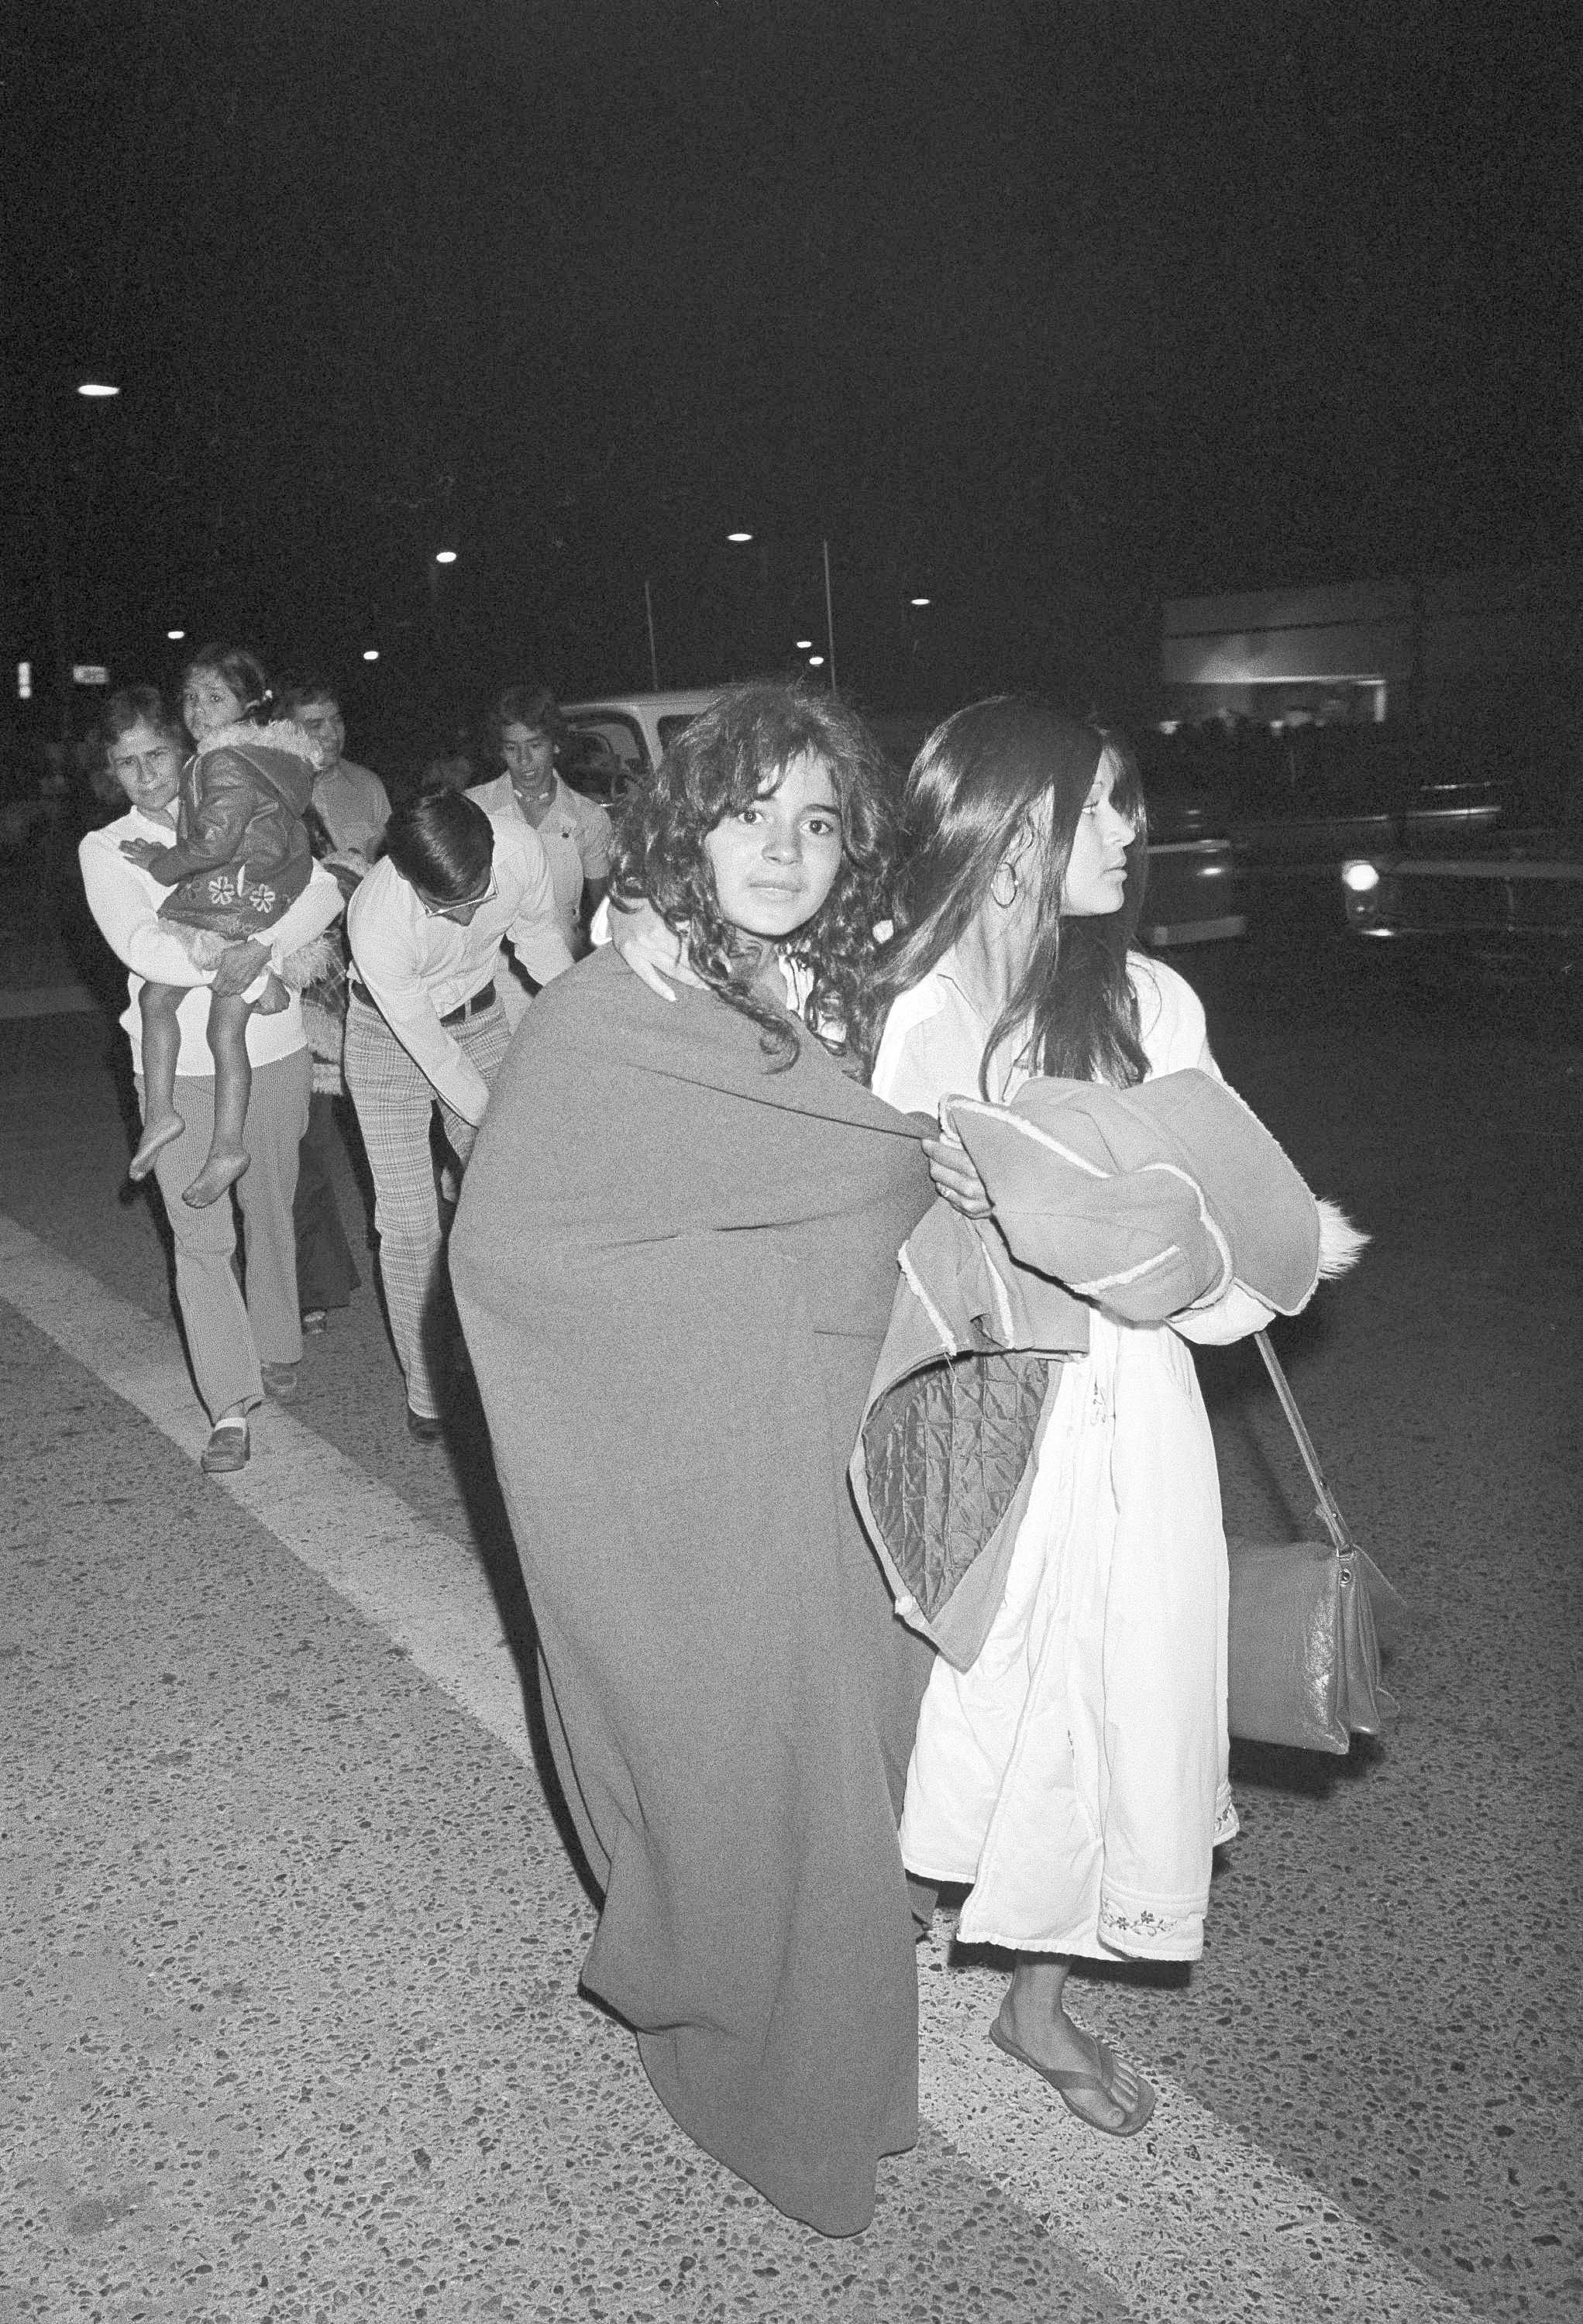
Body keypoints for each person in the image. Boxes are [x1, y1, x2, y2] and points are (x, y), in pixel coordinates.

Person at [449, 682, 937, 2237]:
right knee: (757, 1768)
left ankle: (841, 2002)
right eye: (747, 815)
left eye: (816, 820)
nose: (782, 851)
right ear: (685, 829)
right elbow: (512, 1253)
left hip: (856, 1434)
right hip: (718, 1452)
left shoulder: (867, 991)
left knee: (858, 1751)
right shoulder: (618, 1008)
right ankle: (786, 2075)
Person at [866, 700, 1298, 2137]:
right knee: (968, 1681)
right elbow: (864, 1240)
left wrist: (1110, 1223)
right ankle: (899, 1923)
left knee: (1114, 1690)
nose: (1130, 831)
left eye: (1127, 805)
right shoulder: (913, 1015)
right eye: (1098, 806)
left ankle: (1034, 2000)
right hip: (979, 1398)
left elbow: (1228, 1237)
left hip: (1130, 1398)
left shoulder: (1151, 1006)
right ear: (1008, 834)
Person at [79, 686, 344, 1472]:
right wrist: (220, 955)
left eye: (155, 755)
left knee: (269, 1209)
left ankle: (276, 1339)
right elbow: (137, 944)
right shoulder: (107, 847)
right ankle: (229, 1404)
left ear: (185, 748)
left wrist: (263, 948)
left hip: (274, 1048)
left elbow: (324, 884)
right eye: (124, 764)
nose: (143, 775)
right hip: (175, 1066)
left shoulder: (239, 788)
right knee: (200, 1238)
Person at [344, 789, 573, 1439]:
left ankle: (524, 1362)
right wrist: (489, 1118)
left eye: (476, 895)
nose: (469, 914)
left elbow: (539, 943)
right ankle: (428, 1390)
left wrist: (586, 1016)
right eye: (446, 907)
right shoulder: (378, 918)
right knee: (410, 1224)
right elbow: (435, 1058)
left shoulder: (522, 851)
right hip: (389, 1040)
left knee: (512, 1198)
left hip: (479, 1019)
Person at [120, 646, 315, 1208]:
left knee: (157, 1001)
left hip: (225, 901)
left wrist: (159, 863)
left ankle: (161, 1112)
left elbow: (212, 844)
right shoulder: (273, 760)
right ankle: (226, 1145)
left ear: (251, 702)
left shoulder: (221, 762)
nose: (197, 710)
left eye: (214, 697)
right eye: (189, 696)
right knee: (225, 1030)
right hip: (262, 895)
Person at [277, 678, 394, 1335]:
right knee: (307, 1137)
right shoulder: (275, 789)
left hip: (368, 977)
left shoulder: (367, 786)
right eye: (313, 724)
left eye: (336, 720)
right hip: (303, 980)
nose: (329, 734)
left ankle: (398, 1242)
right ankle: (316, 1280)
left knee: (380, 1124)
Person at [466, 685, 612, 969]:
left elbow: (603, 911)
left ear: (556, 745)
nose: (524, 761)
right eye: (512, 748)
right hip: (491, 974)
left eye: (535, 745)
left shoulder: (589, 817)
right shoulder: (474, 808)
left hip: (563, 966)